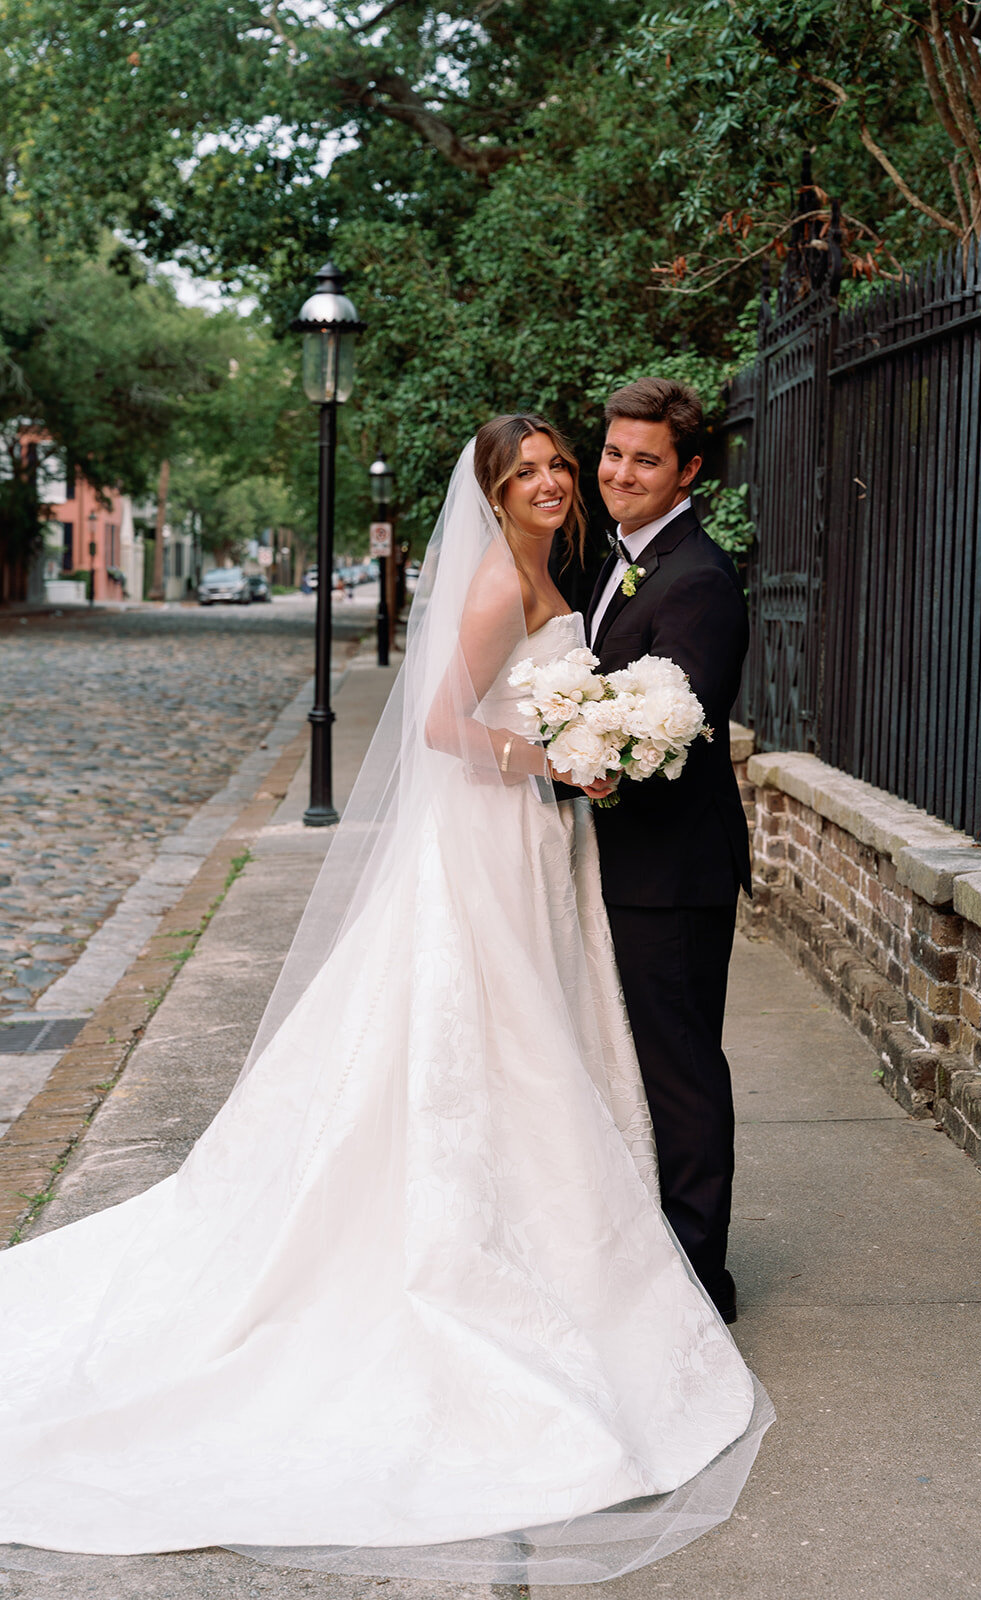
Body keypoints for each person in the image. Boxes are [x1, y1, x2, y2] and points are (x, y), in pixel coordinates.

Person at [0, 416, 770, 1588]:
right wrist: (547, 758)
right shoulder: (492, 591)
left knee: (537, 1032)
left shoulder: (555, 572)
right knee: (479, 1031)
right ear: (491, 490)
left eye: (562, 464)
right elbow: (438, 726)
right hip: (487, 835)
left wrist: (564, 748)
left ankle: (572, 1234)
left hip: (531, 841)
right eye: (531, 472)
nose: (558, 481)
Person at [582, 378, 751, 1325]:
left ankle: (700, 1273)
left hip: (671, 874)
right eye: (612, 453)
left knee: (680, 1064)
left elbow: (667, 731)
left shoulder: (697, 579)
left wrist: (562, 761)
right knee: (636, 1057)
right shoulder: (618, 559)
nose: (621, 474)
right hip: (622, 865)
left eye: (646, 460)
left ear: (687, 470)